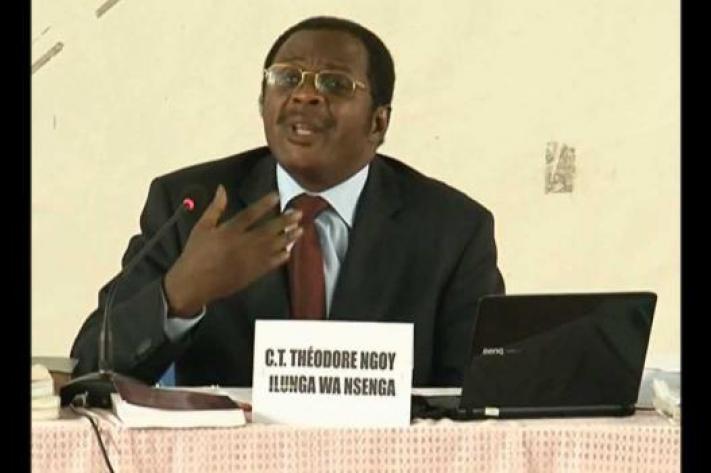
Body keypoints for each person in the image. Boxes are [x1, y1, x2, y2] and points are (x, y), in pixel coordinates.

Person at [70, 16, 505, 387]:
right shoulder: (191, 205)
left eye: (335, 83)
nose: (304, 95)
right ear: (264, 103)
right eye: (286, 78)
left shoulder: (451, 228)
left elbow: (479, 398)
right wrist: (180, 294)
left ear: (378, 123)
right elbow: (89, 366)